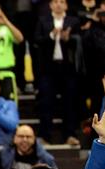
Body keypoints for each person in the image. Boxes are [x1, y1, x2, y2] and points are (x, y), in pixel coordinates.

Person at [34, 0, 81, 145]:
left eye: (62, 1)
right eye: (55, 1)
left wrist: (69, 38)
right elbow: (36, 40)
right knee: (46, 102)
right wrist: (51, 36)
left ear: (66, 5)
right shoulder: (43, 21)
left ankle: (70, 135)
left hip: (68, 68)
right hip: (48, 68)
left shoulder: (74, 21)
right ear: (50, 5)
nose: (59, 4)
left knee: (70, 103)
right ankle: (45, 136)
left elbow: (81, 41)